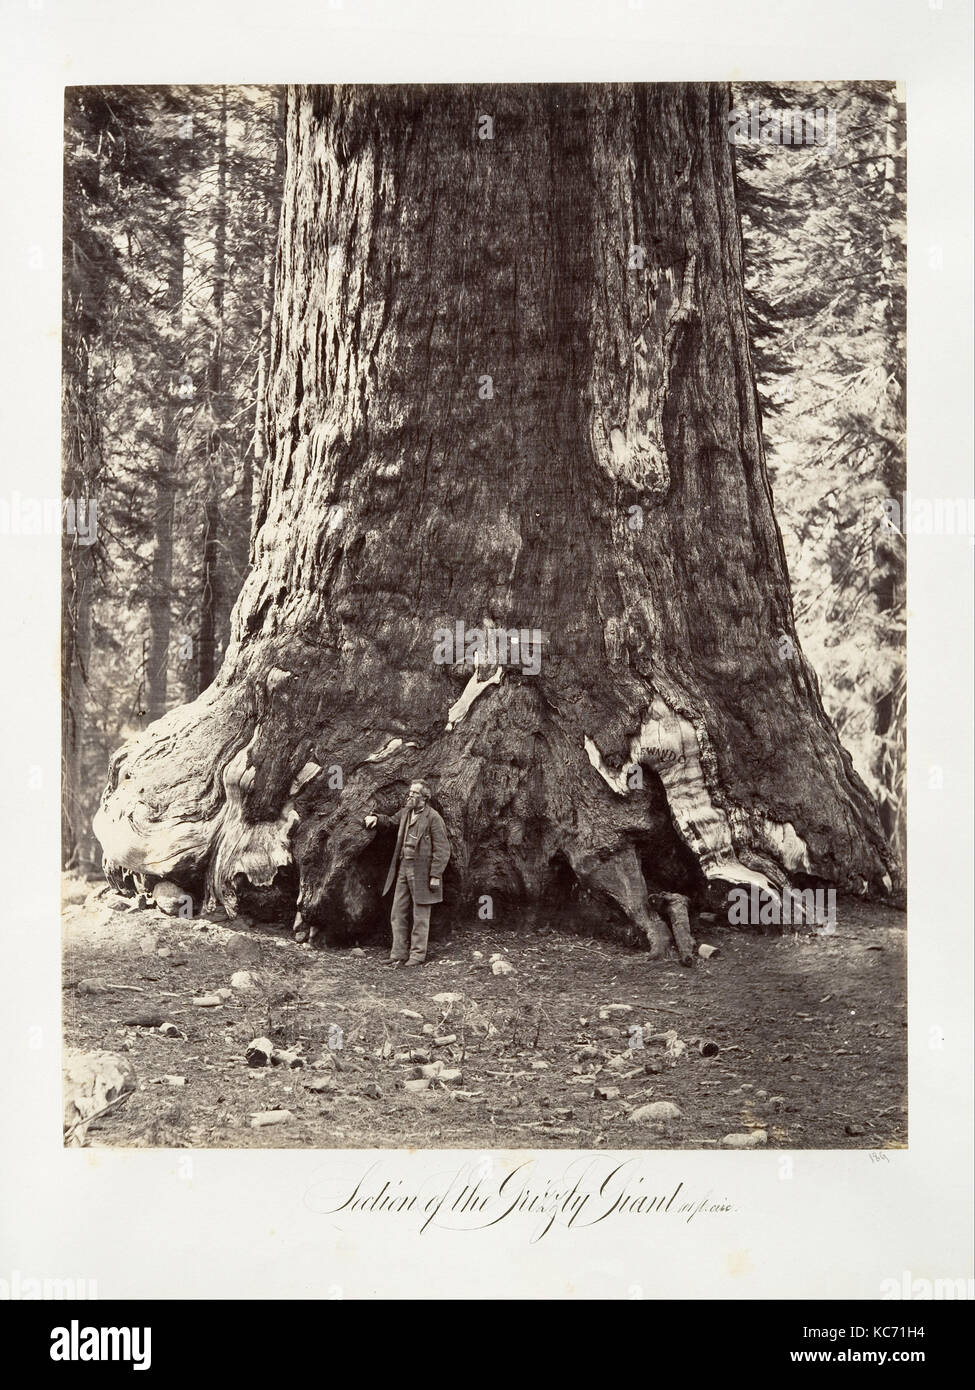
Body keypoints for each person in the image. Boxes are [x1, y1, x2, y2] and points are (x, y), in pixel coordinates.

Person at [364, 780, 450, 966]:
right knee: (398, 911)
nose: (410, 796)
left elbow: (442, 849)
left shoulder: (433, 818)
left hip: (423, 871)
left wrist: (435, 875)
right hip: (404, 867)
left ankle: (417, 955)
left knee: (420, 915)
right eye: (410, 792)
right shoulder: (406, 812)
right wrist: (377, 819)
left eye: (414, 793)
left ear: (424, 798)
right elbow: (390, 821)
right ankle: (398, 953)